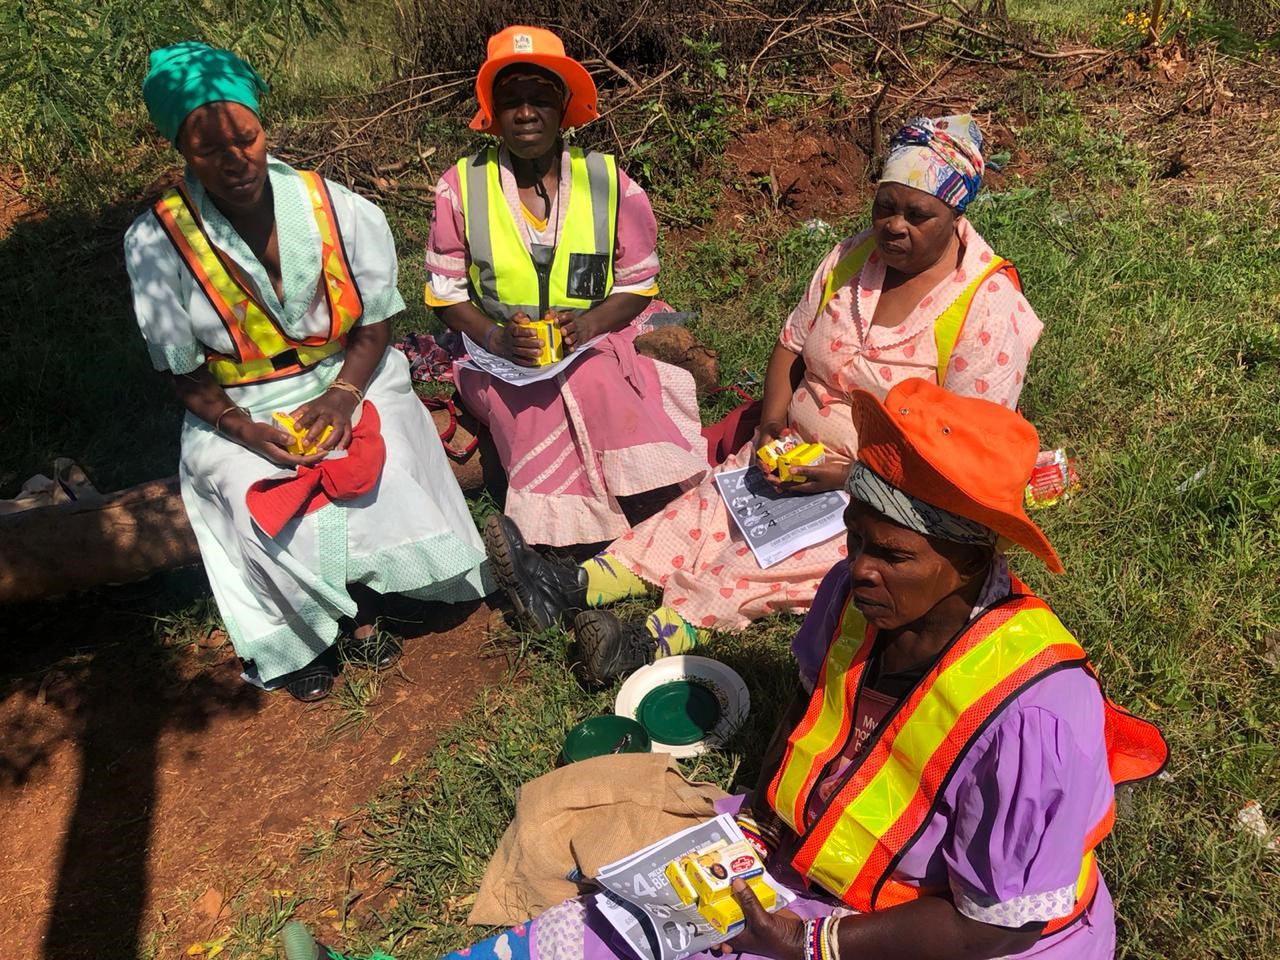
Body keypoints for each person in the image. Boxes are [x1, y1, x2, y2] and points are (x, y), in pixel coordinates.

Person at [438, 379, 1169, 960]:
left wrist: (812, 943)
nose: (861, 570)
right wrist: (769, 814)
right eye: (855, 540)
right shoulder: (853, 598)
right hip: (820, 858)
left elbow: (994, 926)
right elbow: (815, 700)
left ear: (971, 561)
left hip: (949, 931)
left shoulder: (1036, 716)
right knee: (620, 928)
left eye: (893, 555)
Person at [489, 114, 1046, 685]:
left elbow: (962, 451)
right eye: (884, 207)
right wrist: (772, 425)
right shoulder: (852, 260)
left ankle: (644, 641)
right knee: (703, 513)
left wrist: (851, 476)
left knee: (762, 564)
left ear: (957, 215)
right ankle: (568, 586)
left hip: (892, 496)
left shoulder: (985, 307)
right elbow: (789, 348)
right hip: (793, 457)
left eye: (917, 214)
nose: (893, 226)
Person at [125, 42, 491, 701]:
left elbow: (374, 325)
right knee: (251, 486)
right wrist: (243, 427)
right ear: (182, 152)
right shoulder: (157, 244)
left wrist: (344, 396)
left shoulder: (334, 207)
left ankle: (381, 591)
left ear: (264, 126)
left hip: (351, 373)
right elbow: (183, 376)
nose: (235, 160)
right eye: (209, 150)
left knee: (379, 447)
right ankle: (306, 634)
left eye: (247, 136)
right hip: (240, 404)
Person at [425, 26, 707, 549]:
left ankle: (646, 501)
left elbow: (639, 283)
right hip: (498, 352)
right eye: (511, 101)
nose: (526, 113)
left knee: (593, 378)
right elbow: (445, 295)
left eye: (540, 99)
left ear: (563, 107)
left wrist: (590, 324)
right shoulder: (459, 185)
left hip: (593, 336)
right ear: (493, 113)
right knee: (531, 404)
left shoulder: (609, 182)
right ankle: (562, 539)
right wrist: (495, 338)